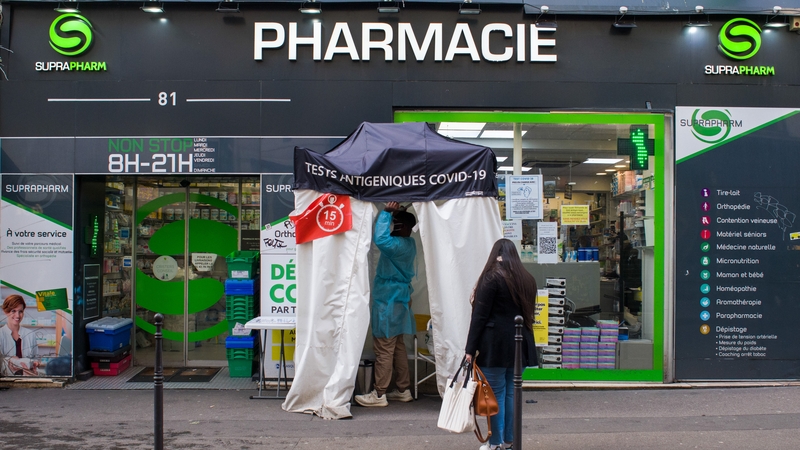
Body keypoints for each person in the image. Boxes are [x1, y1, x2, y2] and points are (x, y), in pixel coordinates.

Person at [465, 239, 538, 450]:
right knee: (511, 393)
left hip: (494, 345)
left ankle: (494, 442)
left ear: (495, 254)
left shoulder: (491, 278)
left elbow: (479, 316)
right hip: (520, 343)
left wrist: (470, 349)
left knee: (495, 394)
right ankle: (509, 440)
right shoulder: (528, 279)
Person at [355, 201, 417, 407]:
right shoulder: (409, 244)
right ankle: (402, 389)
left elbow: (381, 239)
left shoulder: (397, 246)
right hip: (400, 300)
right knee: (398, 346)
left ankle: (379, 393)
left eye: (396, 224)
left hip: (388, 301)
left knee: (384, 347)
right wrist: (396, 214)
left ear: (406, 228)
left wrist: (387, 213)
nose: (393, 226)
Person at [0, 295, 40, 376]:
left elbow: (36, 359)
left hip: (27, 382)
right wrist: (10, 363)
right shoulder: (1, 334)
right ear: (6, 312)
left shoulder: (30, 335)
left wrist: (35, 366)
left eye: (20, 311)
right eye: (13, 311)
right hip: (6, 385)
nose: (18, 316)